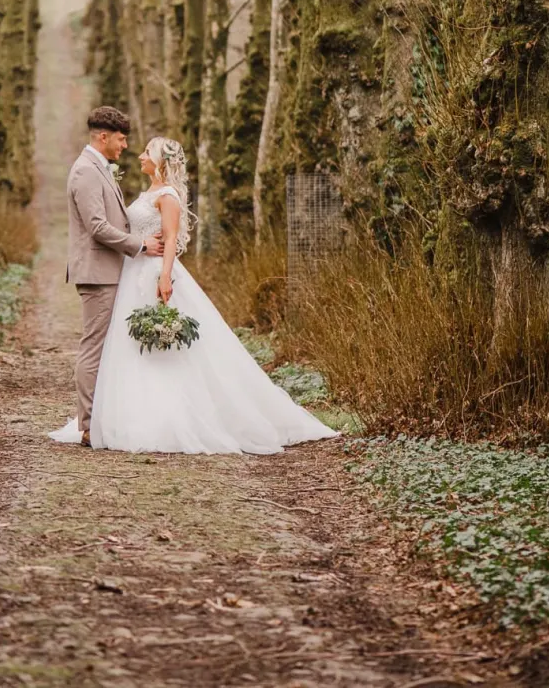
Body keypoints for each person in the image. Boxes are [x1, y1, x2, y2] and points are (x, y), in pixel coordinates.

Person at [51, 133, 338, 454]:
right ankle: (130, 412)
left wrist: (164, 277)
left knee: (166, 346)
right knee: (131, 347)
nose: (140, 155)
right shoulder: (150, 191)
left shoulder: (169, 195)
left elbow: (171, 238)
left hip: (154, 273)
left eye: (147, 152)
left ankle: (175, 415)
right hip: (132, 273)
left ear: (162, 161)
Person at [62, 106, 165, 448]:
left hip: (110, 270)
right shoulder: (85, 172)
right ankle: (89, 426)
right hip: (97, 272)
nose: (124, 146)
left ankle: (103, 418)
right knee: (94, 348)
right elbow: (97, 227)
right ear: (102, 136)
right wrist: (140, 246)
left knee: (107, 348)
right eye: (120, 139)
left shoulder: (99, 168)